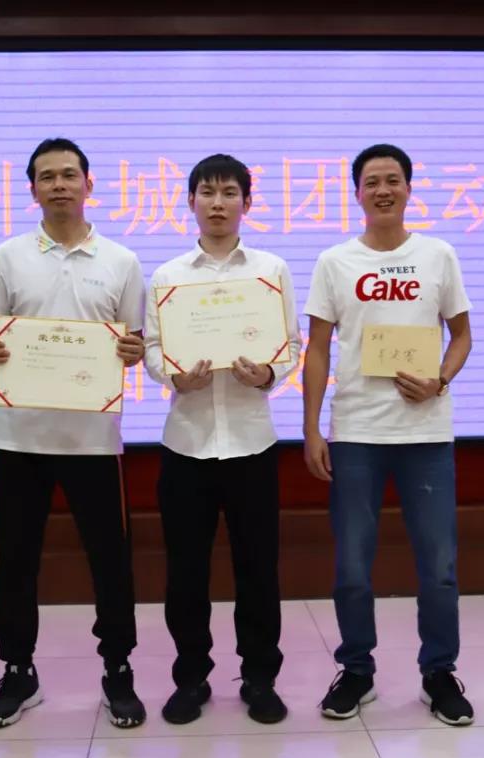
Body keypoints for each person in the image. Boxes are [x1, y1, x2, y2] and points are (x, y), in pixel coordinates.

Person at [301, 143, 475, 726]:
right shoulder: (335, 261)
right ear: (357, 193)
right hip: (356, 431)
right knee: (352, 564)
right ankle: (356, 670)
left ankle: (439, 672)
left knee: (439, 565)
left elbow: (462, 335)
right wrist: (311, 428)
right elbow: (317, 349)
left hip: (426, 433)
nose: (383, 190)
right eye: (371, 181)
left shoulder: (438, 255)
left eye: (393, 180)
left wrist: (439, 380)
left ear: (408, 189)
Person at [0, 138, 147, 729]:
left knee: (110, 560)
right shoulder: (8, 256)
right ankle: (17, 671)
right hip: (18, 436)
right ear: (32, 189)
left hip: (92, 440)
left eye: (69, 175)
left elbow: (134, 341)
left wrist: (132, 351)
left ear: (88, 184)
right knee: (15, 562)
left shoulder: (121, 260)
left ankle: (118, 669)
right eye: (46, 177)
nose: (58, 185)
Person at [142, 154, 302, 725]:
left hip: (252, 444)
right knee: (186, 572)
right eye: (207, 192)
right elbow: (154, 349)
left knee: (258, 569)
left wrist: (269, 374)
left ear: (246, 203)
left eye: (229, 192)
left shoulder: (270, 269)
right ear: (190, 202)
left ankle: (259, 678)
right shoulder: (167, 276)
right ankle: (191, 678)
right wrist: (172, 377)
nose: (217, 203)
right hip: (186, 443)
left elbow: (290, 345)